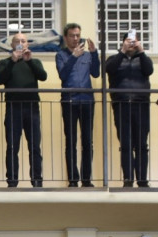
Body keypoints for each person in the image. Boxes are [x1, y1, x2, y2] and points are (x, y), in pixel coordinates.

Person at [0, 33, 46, 188]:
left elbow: (43, 76)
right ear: (12, 45)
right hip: (13, 109)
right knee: (12, 147)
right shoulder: (4, 62)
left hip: (32, 109)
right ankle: (12, 181)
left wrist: (29, 61)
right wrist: (13, 60)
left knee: (35, 147)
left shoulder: (34, 61)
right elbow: (0, 79)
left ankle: (37, 181)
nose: (20, 43)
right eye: (17, 41)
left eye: (23, 41)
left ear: (27, 44)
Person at [106, 32, 154, 187]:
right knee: (125, 143)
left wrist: (142, 52)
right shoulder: (114, 59)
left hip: (141, 105)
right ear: (123, 42)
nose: (132, 44)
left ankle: (142, 179)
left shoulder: (143, 59)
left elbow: (149, 71)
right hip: (121, 104)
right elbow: (110, 70)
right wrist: (122, 51)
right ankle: (128, 178)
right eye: (129, 41)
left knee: (141, 144)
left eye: (135, 41)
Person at [56, 23, 100, 187]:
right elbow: (63, 75)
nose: (76, 39)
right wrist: (73, 56)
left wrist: (94, 53)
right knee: (71, 141)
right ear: (66, 37)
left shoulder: (88, 55)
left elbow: (95, 72)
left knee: (87, 141)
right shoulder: (60, 55)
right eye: (72, 36)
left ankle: (87, 179)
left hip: (87, 101)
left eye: (78, 35)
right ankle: (73, 179)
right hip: (69, 101)